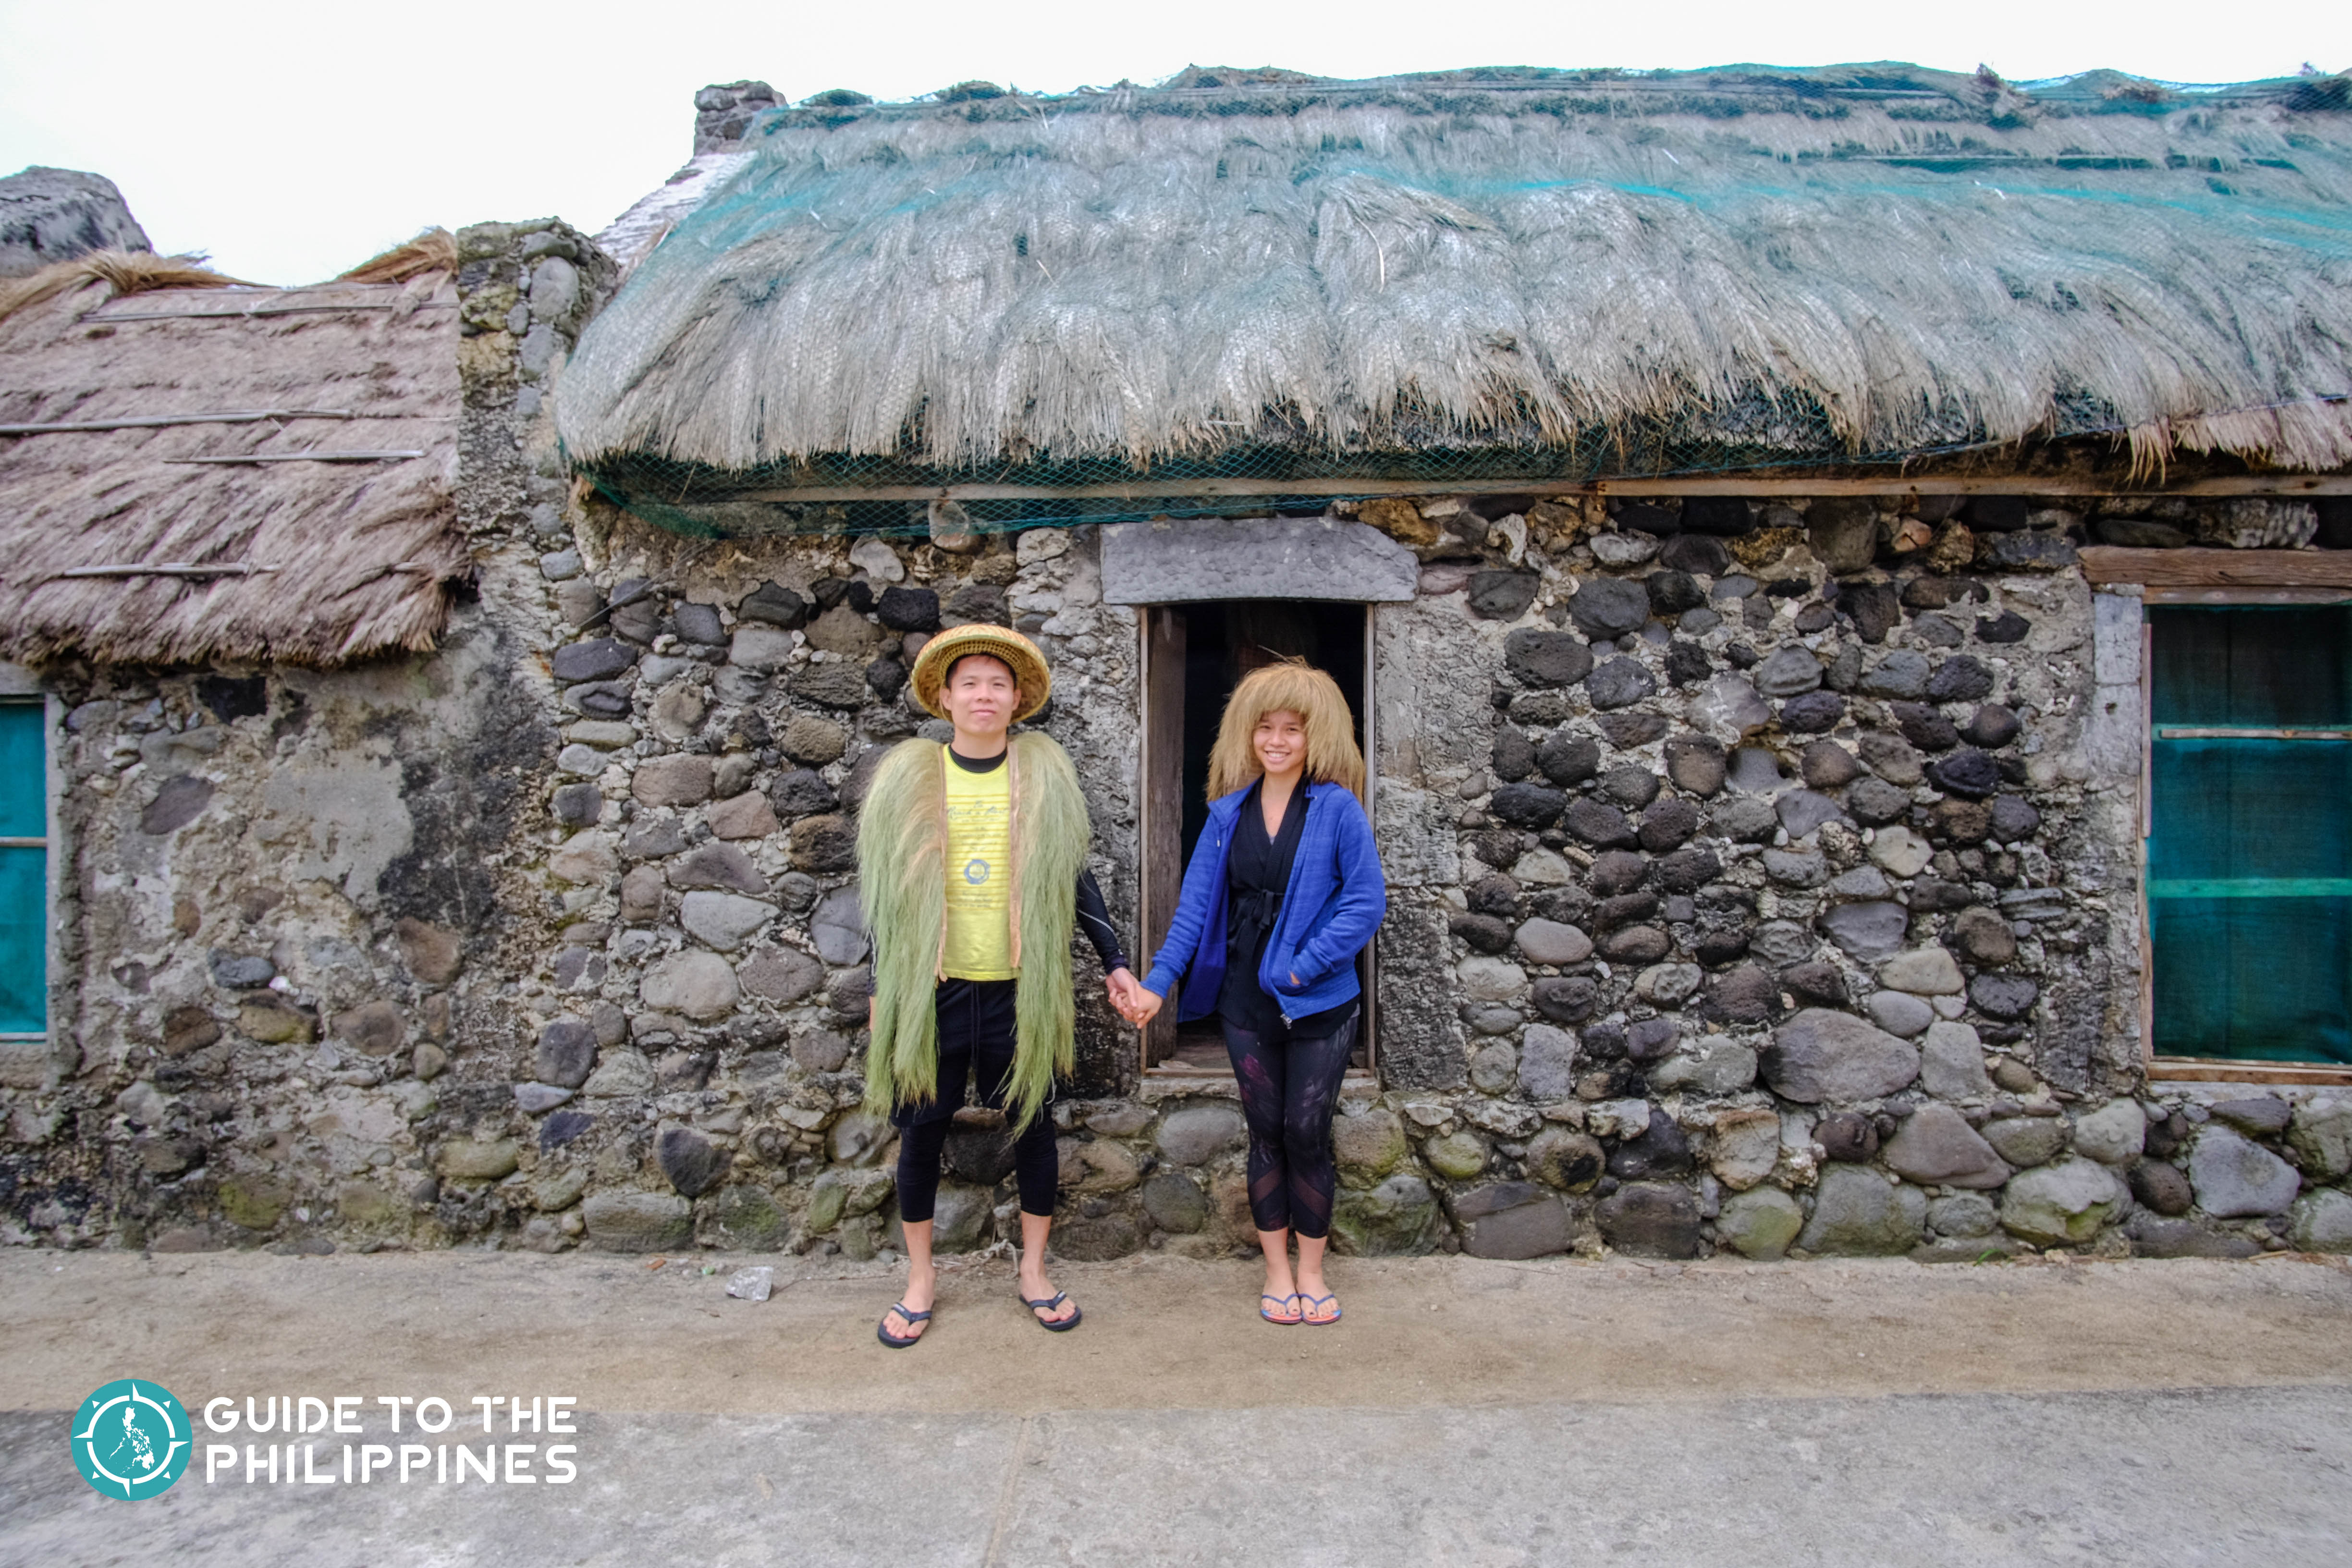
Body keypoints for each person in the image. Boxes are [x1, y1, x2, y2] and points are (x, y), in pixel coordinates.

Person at [859, 623, 1148, 1348]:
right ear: (946, 699)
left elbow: (1076, 879)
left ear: (1018, 699)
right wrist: (879, 991)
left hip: (1021, 989)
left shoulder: (1043, 776)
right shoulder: (913, 777)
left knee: (1034, 1130)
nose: (984, 695)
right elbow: (887, 898)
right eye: (970, 684)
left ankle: (1034, 1271)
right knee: (920, 1134)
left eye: (998, 684)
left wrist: (1115, 962)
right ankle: (920, 1280)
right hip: (931, 992)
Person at [1130, 658, 1386, 1326]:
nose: (1276, 741)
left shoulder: (1337, 808)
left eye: (1292, 729)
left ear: (1316, 735)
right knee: (1266, 1133)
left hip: (1320, 998)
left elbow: (1365, 902)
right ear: (1247, 734)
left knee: (1307, 1131)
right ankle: (1277, 1272)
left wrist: (1305, 966)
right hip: (1246, 1000)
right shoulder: (1225, 815)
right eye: (1265, 728)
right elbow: (1192, 913)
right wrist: (1156, 985)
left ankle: (1312, 1272)